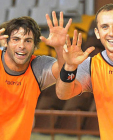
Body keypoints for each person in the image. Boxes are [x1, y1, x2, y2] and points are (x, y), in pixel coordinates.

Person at [56, 3, 113, 140]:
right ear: (97, 33)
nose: (111, 32)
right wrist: (69, 66)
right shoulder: (92, 64)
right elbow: (63, 93)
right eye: (105, 27)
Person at [0, 11, 72, 140]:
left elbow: (62, 72)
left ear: (35, 46)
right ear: (6, 42)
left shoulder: (37, 66)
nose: (21, 46)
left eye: (28, 41)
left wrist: (60, 48)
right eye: (16, 39)